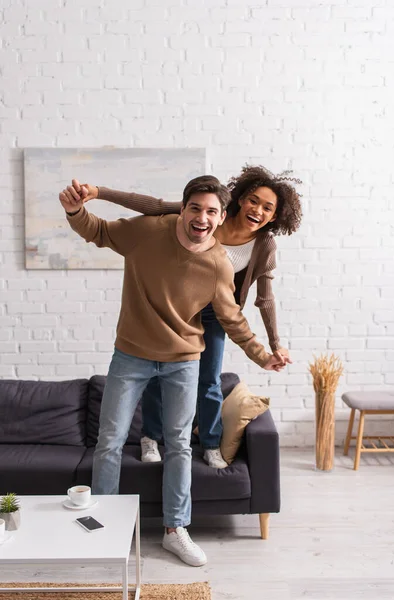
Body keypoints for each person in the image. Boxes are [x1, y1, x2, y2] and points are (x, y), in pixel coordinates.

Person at [59, 175, 286, 568]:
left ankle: (175, 530)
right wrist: (75, 209)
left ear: (220, 217)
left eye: (211, 211)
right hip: (130, 355)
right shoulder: (147, 232)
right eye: (195, 208)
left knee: (179, 445)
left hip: (184, 359)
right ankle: (105, 527)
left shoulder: (218, 263)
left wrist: (262, 355)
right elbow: (96, 230)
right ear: (182, 209)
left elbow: (232, 319)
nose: (202, 217)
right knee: (109, 440)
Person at [74, 165, 302, 469]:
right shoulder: (209, 217)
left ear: (274, 217)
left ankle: (210, 443)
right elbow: (152, 206)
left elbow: (265, 297)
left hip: (219, 311)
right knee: (159, 371)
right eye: (253, 200)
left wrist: (275, 345)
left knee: (209, 380)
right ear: (239, 200)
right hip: (181, 304)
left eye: (267, 207)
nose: (257, 210)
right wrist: (99, 193)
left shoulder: (264, 245)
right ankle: (150, 438)